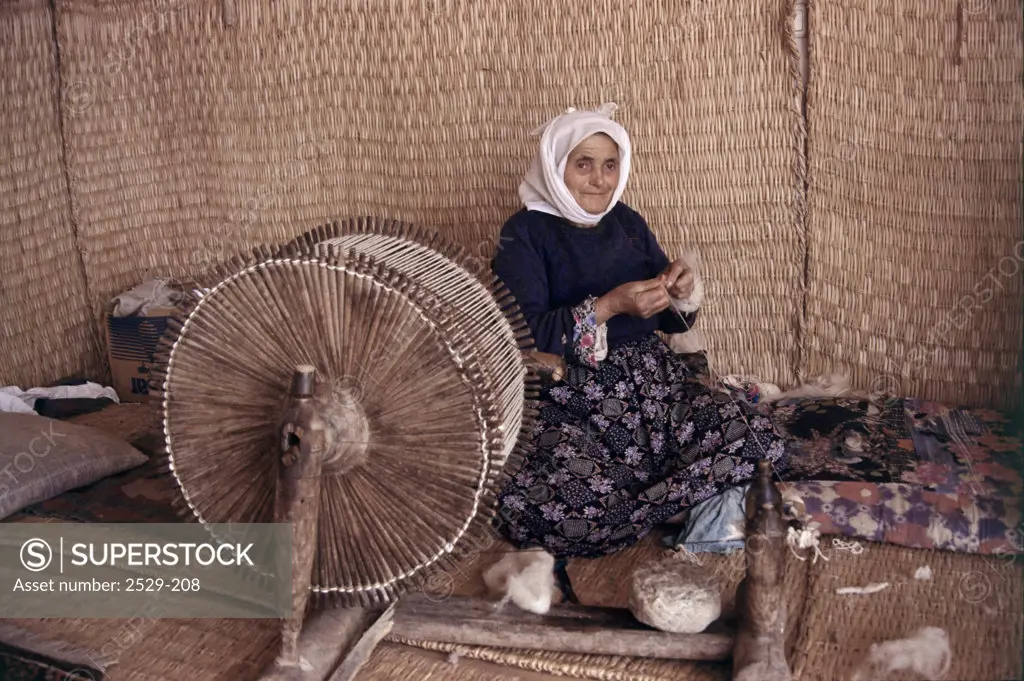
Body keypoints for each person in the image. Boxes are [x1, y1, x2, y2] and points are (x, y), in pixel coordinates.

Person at [491, 104, 789, 559]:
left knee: (760, 439)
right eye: (583, 164)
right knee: (564, 508)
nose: (600, 179)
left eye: (610, 165)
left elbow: (672, 322)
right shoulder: (524, 234)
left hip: (657, 397)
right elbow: (522, 337)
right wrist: (609, 306)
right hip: (572, 404)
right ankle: (684, 500)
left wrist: (680, 292)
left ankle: (643, 506)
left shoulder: (626, 222)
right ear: (555, 167)